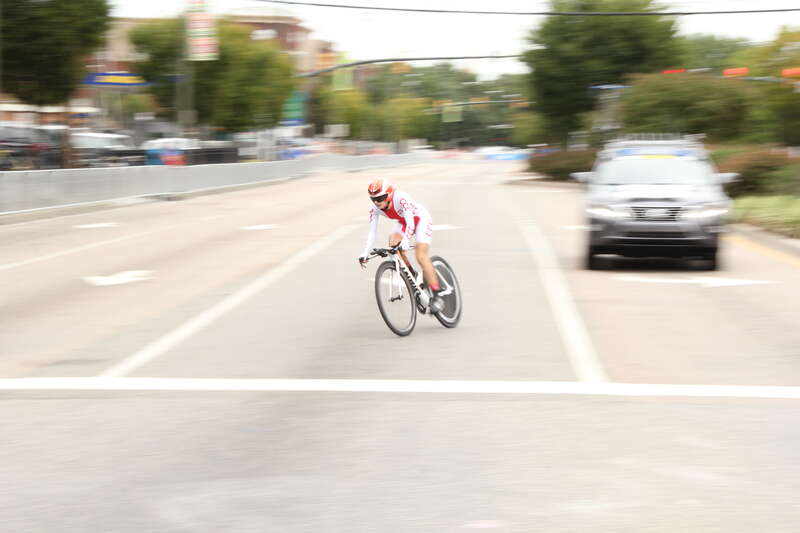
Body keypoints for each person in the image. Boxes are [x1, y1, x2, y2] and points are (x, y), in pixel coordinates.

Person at [358, 179, 443, 313]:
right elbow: (372, 232)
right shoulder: (374, 209)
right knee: (392, 243)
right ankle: (412, 275)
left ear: (390, 194)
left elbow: (411, 223)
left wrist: (405, 240)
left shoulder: (401, 198)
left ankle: (437, 295)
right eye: (373, 199)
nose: (377, 202)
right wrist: (365, 253)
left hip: (420, 220)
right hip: (402, 222)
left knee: (420, 256)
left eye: (380, 197)